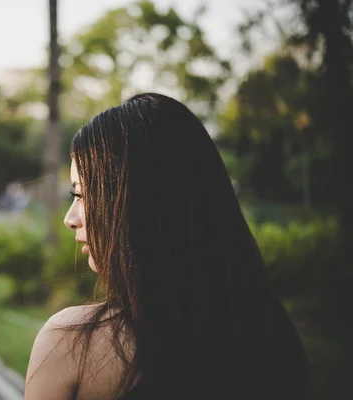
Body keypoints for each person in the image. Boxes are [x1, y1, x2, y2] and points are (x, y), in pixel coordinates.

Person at [25, 93, 310, 399]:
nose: (71, 218)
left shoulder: (71, 345)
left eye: (82, 195)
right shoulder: (270, 336)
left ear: (137, 203)